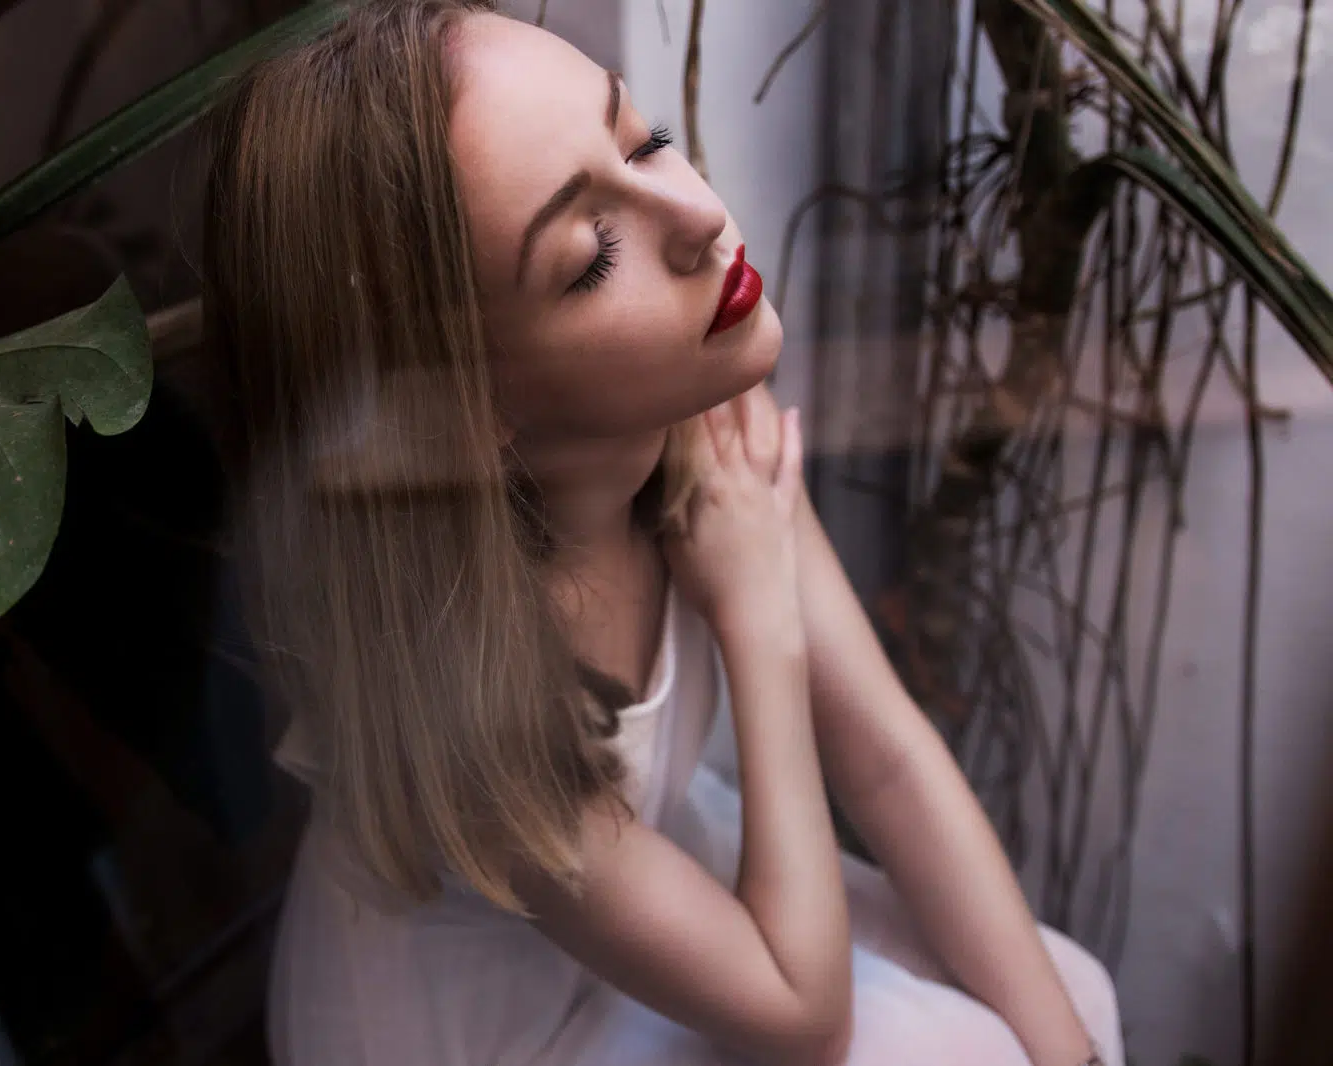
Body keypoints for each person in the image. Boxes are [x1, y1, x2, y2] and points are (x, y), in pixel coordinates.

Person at [200, 2, 1124, 1063]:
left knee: (1071, 1001)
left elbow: (888, 760)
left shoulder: (700, 421)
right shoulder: (468, 696)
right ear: (458, 411)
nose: (697, 214)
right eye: (591, 255)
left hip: (659, 899)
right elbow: (802, 1019)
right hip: (502, 1035)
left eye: (646, 143)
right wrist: (753, 605)